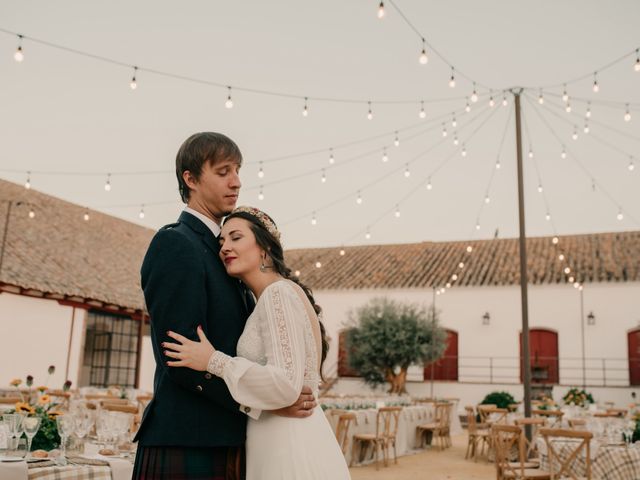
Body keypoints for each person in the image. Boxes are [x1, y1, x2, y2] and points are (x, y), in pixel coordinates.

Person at [133, 132, 316, 480]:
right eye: (223, 171)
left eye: (238, 171)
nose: (236, 182)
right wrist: (265, 404)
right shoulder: (175, 243)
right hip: (188, 440)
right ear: (190, 179)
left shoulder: (227, 256)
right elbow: (180, 358)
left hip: (230, 438)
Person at [163, 206, 351, 479]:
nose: (225, 247)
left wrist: (213, 360)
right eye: (222, 241)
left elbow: (285, 384)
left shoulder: (277, 295)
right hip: (286, 434)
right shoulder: (276, 295)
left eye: (235, 238)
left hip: (285, 442)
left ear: (264, 247)